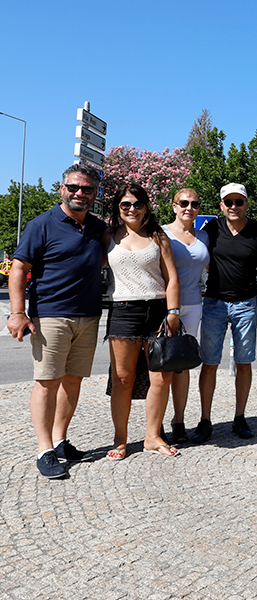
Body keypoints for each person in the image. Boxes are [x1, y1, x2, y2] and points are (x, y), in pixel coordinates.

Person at [7, 164, 107, 478]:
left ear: (94, 194)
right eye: (74, 187)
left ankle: (61, 439)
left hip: (88, 316)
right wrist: (17, 312)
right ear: (62, 188)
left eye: (87, 189)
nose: (80, 193)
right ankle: (44, 449)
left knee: (73, 380)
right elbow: (19, 270)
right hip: (51, 314)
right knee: (47, 382)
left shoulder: (97, 227)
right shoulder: (42, 225)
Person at [105, 184, 181, 460]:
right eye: (125, 204)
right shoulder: (108, 237)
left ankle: (152, 436)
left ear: (146, 206)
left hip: (158, 311)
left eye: (137, 204)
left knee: (160, 378)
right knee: (122, 378)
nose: (132, 209)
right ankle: (120, 439)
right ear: (118, 208)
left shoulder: (159, 237)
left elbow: (172, 277)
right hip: (123, 312)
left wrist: (173, 312)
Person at [192, 183, 257, 443]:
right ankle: (205, 419)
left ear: (247, 204)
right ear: (221, 206)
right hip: (214, 304)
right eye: (229, 202)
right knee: (209, 363)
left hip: (245, 304)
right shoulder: (211, 229)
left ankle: (240, 417)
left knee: (243, 363)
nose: (234, 207)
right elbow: (198, 256)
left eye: (239, 202)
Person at [162, 188, 209, 444]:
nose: (189, 207)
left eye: (194, 203)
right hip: (167, 306)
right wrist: (171, 309)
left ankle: (178, 421)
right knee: (161, 366)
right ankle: (155, 423)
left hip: (195, 305)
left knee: (182, 366)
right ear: (174, 206)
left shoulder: (203, 236)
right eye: (183, 203)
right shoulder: (162, 233)